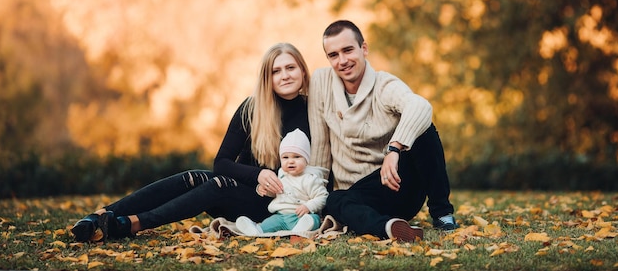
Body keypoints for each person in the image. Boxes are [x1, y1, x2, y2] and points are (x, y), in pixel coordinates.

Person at [70, 42, 311, 242]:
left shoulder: (313, 110)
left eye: (290, 67)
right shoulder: (252, 108)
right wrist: (257, 175)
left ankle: (131, 225)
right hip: (241, 192)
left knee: (217, 185)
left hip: (275, 208)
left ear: (302, 70)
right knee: (195, 176)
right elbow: (222, 163)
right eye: (276, 71)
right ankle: (101, 215)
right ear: (267, 78)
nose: (285, 75)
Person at [308, 20, 458, 243]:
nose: (342, 61)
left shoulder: (384, 84)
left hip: (395, 184)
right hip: (358, 194)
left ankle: (442, 213)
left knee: (424, 131)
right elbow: (320, 152)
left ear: (364, 49)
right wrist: (310, 201)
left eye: (348, 50)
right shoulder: (321, 82)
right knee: (335, 200)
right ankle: (390, 228)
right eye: (333, 55)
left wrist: (394, 149)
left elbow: (421, 106)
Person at [235, 128, 328, 235]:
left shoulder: (310, 179)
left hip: (300, 216)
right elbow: (277, 192)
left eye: (297, 157)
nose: (291, 161)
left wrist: (309, 206)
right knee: (270, 222)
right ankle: (256, 230)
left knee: (313, 219)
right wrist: (265, 189)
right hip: (281, 217)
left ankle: (302, 227)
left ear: (306, 159)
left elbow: (322, 197)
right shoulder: (282, 175)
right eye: (285, 157)